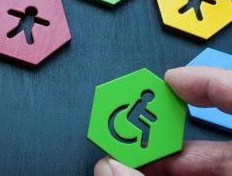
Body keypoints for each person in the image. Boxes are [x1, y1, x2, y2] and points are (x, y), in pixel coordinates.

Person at [94, 67, 232, 176]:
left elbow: (147, 114)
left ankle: (143, 143)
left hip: (133, 119)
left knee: (146, 129)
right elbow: (140, 113)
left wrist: (151, 118)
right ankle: (143, 143)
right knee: (145, 129)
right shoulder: (140, 103)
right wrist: (151, 118)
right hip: (131, 118)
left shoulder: (144, 102)